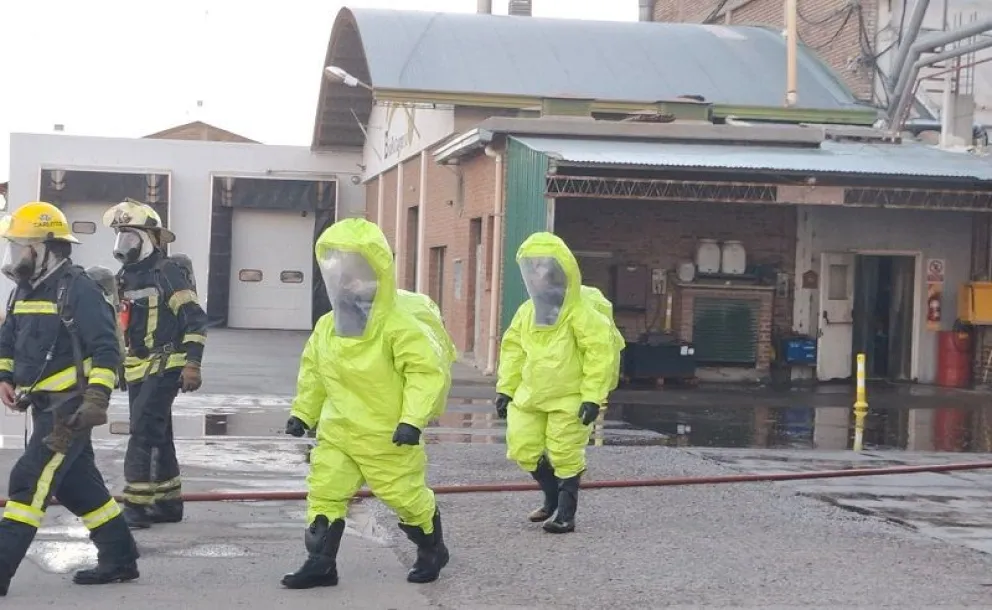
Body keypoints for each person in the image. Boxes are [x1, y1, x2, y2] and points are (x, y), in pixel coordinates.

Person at [282, 218, 454, 590]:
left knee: (405, 497)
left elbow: (425, 374)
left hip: (387, 435)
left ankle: (432, 549)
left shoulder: (399, 325)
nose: (348, 282)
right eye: (341, 272)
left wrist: (412, 420)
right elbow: (314, 372)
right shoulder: (329, 326)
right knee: (325, 492)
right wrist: (302, 413)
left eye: (357, 272)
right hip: (339, 432)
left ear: (378, 273)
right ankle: (320, 563)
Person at [0, 201, 139, 595]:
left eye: (21, 246)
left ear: (47, 247)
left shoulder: (80, 289)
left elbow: (107, 350)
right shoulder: (23, 292)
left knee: (29, 481)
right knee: (78, 485)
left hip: (70, 409)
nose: (14, 255)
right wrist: (5, 375)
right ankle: (120, 558)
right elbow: (8, 339)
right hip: (41, 404)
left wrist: (96, 398)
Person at [494, 232, 622, 534]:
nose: (537, 275)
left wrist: (592, 397)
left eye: (543, 267)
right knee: (523, 447)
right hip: (530, 396)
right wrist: (505, 389)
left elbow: (598, 355)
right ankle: (551, 496)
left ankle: (566, 512)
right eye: (532, 268)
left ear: (560, 269)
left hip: (570, 397)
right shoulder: (527, 312)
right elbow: (512, 350)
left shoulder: (581, 313)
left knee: (565, 452)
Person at [103, 199, 208, 529]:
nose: (125, 246)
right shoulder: (126, 277)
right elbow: (123, 324)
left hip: (166, 365)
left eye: (131, 238)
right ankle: (167, 503)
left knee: (142, 433)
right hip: (138, 369)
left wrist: (193, 364)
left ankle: (136, 505)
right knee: (158, 434)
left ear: (150, 238)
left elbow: (195, 320)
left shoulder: (167, 272)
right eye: (121, 238)